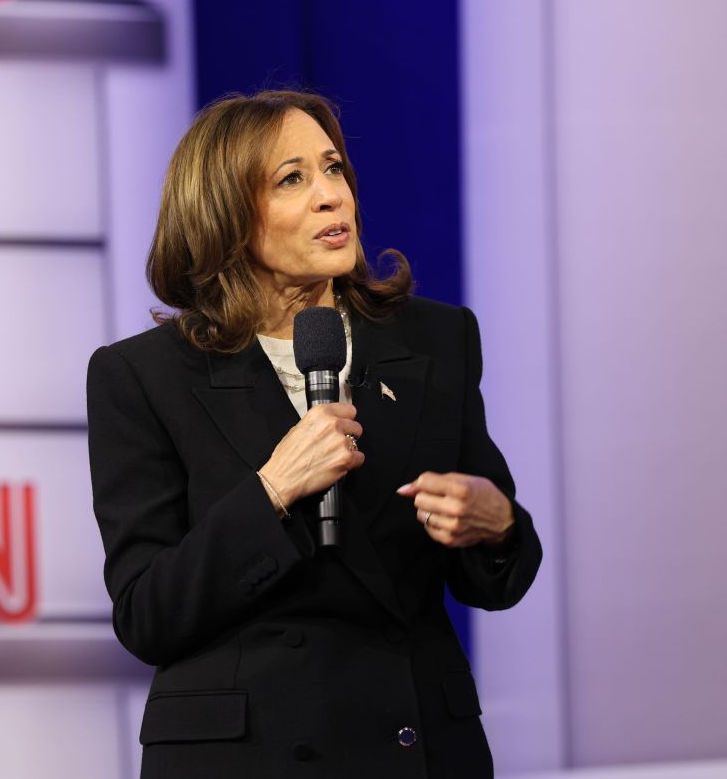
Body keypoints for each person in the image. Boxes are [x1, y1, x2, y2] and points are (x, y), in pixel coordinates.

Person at [85, 90, 541, 778]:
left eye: (334, 169)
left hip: (411, 742)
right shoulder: (143, 376)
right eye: (292, 179)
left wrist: (498, 523)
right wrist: (271, 489)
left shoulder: (436, 340)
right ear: (227, 217)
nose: (332, 196)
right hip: (246, 755)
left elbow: (496, 573)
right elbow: (147, 613)